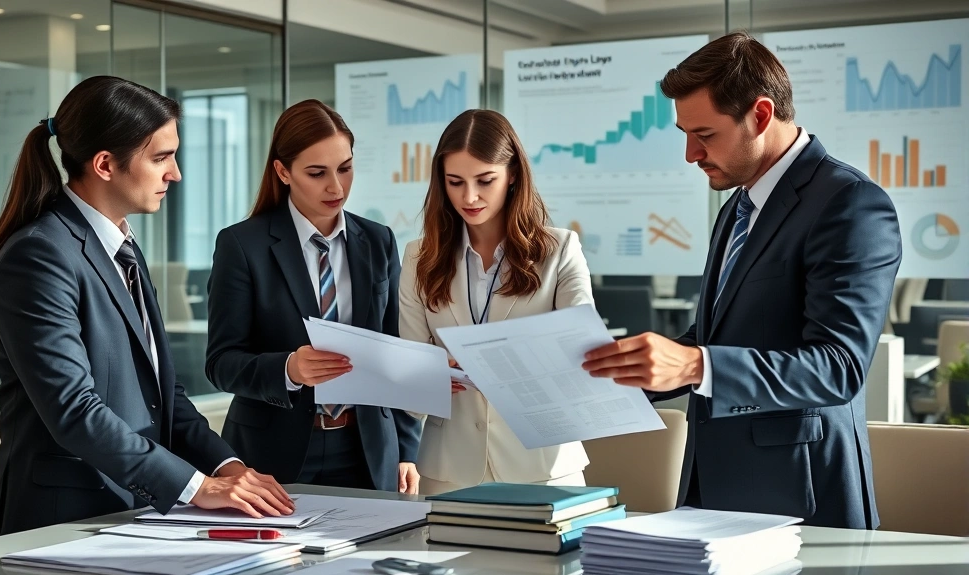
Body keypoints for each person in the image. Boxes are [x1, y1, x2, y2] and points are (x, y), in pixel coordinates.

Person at [581, 32, 901, 529]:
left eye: (705, 135)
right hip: (713, 491)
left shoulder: (851, 203)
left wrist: (694, 364)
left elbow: (838, 368)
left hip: (801, 497)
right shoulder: (737, 206)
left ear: (761, 115)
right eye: (685, 134)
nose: (690, 154)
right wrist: (608, 371)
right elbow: (713, 342)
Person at [0, 76, 294, 537]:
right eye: (161, 157)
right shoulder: (38, 255)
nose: (176, 173)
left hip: (133, 514)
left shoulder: (122, 247)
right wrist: (194, 486)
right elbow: (75, 410)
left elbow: (164, 393)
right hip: (59, 523)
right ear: (105, 164)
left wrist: (227, 466)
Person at [205, 100, 422, 494]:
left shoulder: (378, 241)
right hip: (272, 453)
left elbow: (396, 351)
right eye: (317, 173)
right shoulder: (242, 245)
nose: (336, 187)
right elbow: (221, 363)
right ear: (283, 171)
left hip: (368, 449)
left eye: (345, 168)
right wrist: (289, 369)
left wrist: (407, 448)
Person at [399, 109, 593, 495]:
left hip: (543, 465)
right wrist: (429, 374)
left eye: (485, 181)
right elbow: (410, 375)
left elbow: (581, 355)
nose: (469, 197)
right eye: (455, 182)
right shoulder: (419, 257)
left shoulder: (559, 250)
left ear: (513, 175)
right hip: (448, 469)